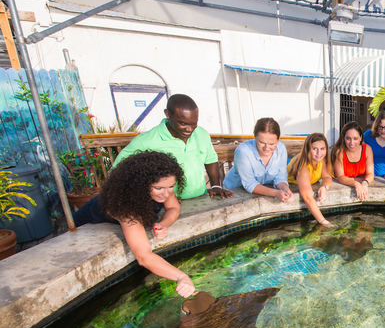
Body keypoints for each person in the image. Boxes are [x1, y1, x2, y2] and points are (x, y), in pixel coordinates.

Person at [73, 151, 195, 297]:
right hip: (83, 229)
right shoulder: (125, 207)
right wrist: (181, 276)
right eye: (158, 188)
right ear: (140, 185)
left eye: (171, 186)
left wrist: (164, 223)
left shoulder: (164, 187)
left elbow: (173, 207)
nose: (166, 193)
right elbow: (143, 257)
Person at [113, 94, 232, 200]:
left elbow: (210, 159)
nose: (189, 129)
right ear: (168, 114)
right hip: (165, 206)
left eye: (194, 123)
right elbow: (118, 172)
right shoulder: (145, 141)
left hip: (200, 199)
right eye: (183, 123)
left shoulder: (201, 134)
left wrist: (216, 186)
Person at [223, 117, 293, 203]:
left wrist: (286, 190)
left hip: (261, 189)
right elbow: (249, 184)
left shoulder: (281, 148)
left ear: (278, 139)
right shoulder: (243, 151)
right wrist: (276, 193)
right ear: (255, 136)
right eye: (262, 142)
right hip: (233, 191)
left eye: (272, 144)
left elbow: (280, 178)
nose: (266, 148)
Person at [287, 132, 334, 227]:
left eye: (322, 149)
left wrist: (324, 187)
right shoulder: (303, 167)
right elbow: (308, 198)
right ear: (307, 149)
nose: (319, 153)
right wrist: (324, 222)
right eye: (314, 149)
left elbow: (327, 177)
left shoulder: (321, 160)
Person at [331, 121, 375, 201]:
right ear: (343, 137)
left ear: (361, 137)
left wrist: (364, 184)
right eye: (348, 138)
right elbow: (340, 177)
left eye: (355, 138)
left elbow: (370, 174)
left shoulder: (367, 149)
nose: (352, 143)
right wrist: (356, 184)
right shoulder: (339, 152)